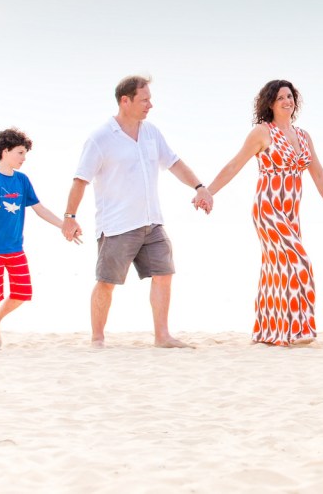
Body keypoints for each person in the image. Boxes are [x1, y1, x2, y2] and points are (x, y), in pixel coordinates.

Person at [62, 76, 212, 348]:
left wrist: (199, 187)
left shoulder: (151, 132)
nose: (150, 105)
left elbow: (174, 163)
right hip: (117, 225)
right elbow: (80, 179)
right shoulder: (100, 138)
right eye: (144, 100)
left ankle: (162, 336)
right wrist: (70, 217)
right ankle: (97, 339)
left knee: (164, 274)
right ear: (125, 101)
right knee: (106, 282)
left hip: (152, 222)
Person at [205, 79, 323, 346]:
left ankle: (271, 332)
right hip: (268, 207)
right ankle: (299, 330)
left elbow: (318, 174)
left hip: (291, 211)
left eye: (290, 96)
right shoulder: (262, 132)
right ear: (270, 103)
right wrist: (209, 191)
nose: (286, 101)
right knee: (299, 261)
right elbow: (235, 164)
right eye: (280, 97)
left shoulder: (303, 136)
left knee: (277, 269)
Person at [0, 128, 79, 350]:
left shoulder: (22, 180)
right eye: (20, 153)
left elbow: (40, 209)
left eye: (25, 153)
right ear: (5, 151)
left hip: (15, 249)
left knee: (22, 293)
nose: (24, 158)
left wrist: (64, 225)